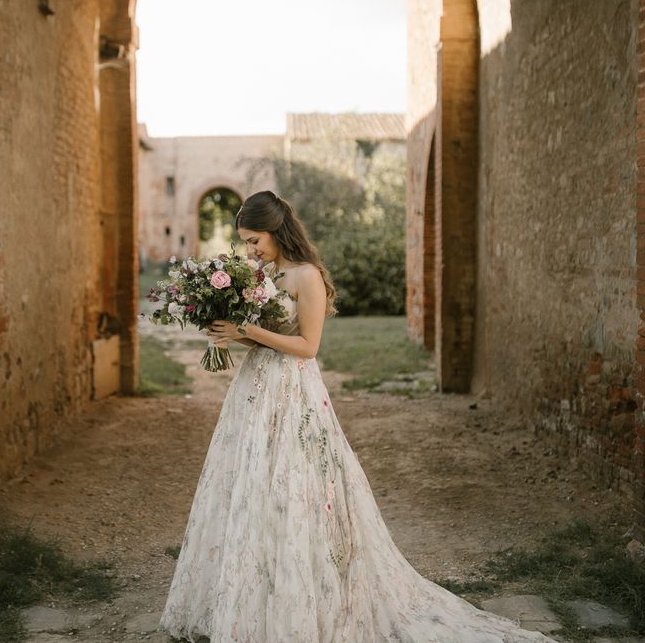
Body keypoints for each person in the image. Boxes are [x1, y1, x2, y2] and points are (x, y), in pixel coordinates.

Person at [158, 191, 557, 642]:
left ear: (276, 230)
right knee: (253, 486)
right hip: (255, 391)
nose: (250, 251)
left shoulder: (305, 276)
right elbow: (268, 340)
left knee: (295, 486)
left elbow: (307, 348)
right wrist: (229, 335)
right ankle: (250, 594)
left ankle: (307, 598)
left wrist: (246, 329)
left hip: (294, 394)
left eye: (254, 241)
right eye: (246, 244)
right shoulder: (265, 273)